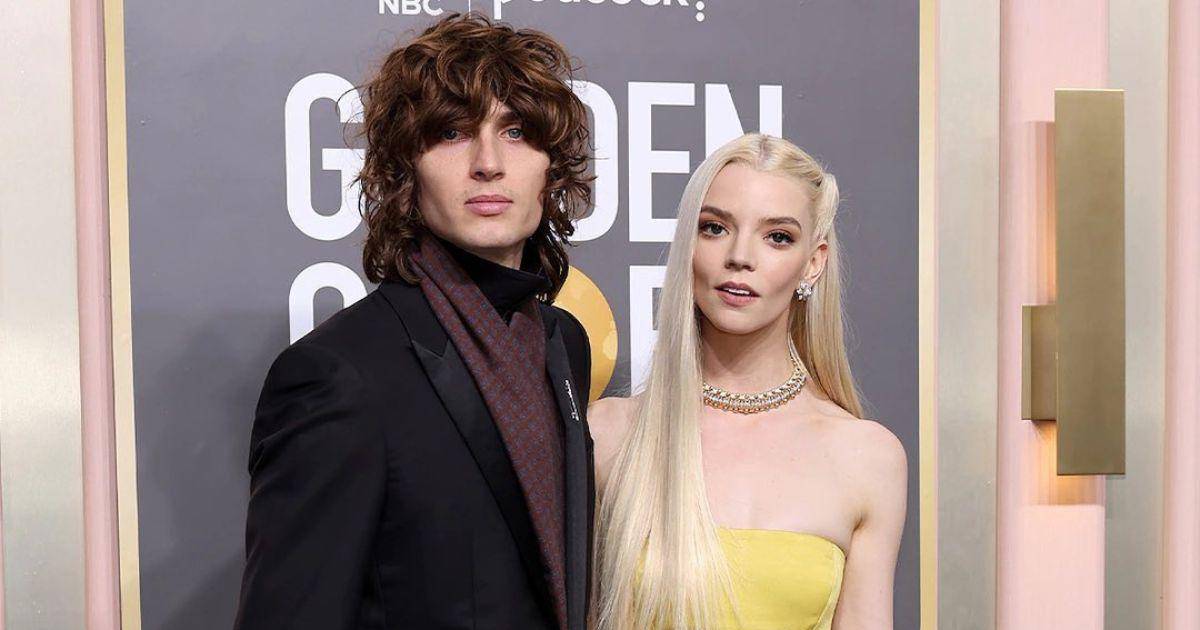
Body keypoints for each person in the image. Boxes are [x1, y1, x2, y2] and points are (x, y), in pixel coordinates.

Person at [232, 12, 596, 630]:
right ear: (406, 168)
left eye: (516, 132)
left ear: (551, 167)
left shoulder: (564, 344)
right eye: (452, 133)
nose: (488, 162)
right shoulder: (339, 375)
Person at [587, 133, 907, 630]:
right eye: (714, 228)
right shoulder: (609, 435)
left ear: (814, 262)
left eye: (777, 237)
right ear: (688, 245)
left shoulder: (867, 457)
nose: (739, 255)